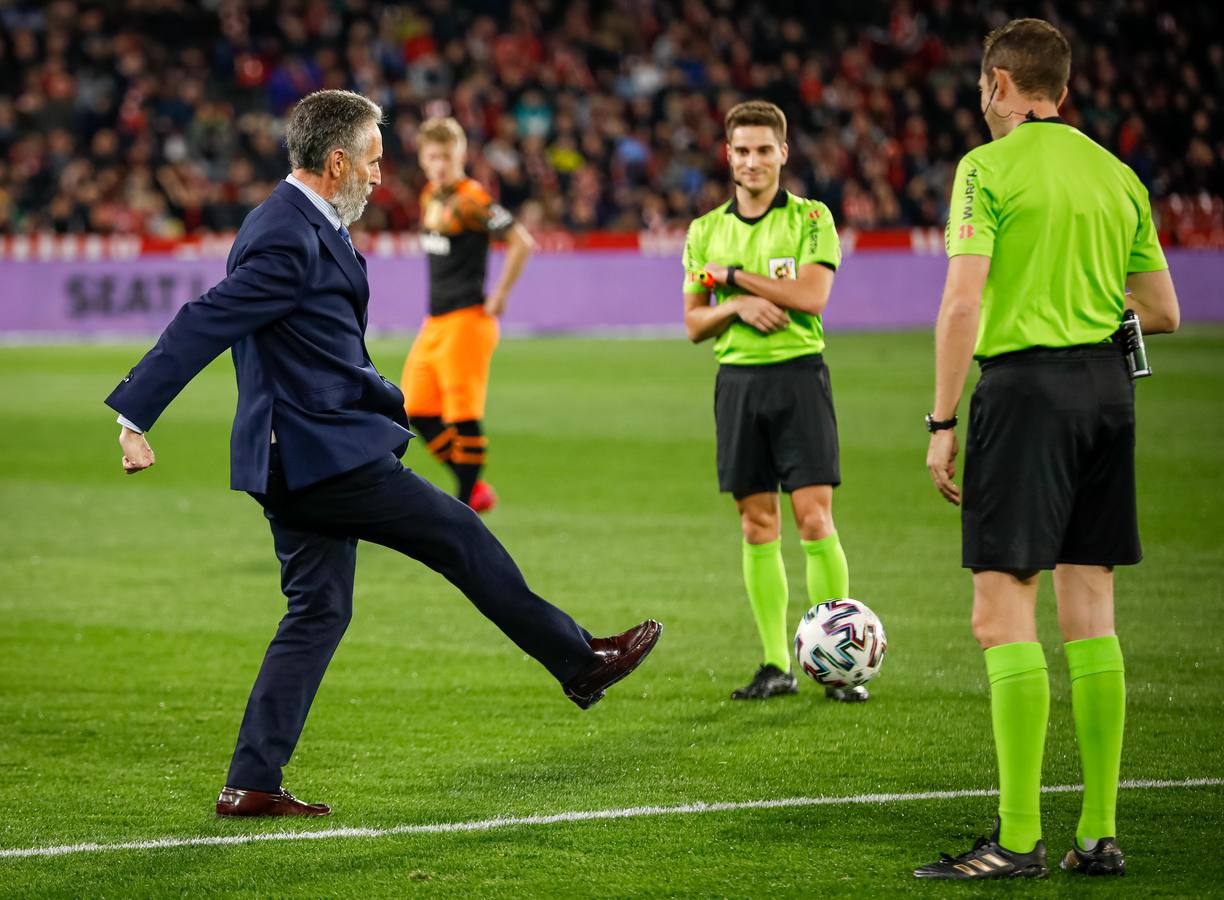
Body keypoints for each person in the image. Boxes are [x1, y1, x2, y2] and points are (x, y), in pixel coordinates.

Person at [105, 89, 662, 818]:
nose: (379, 174)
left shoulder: (301, 222)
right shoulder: (287, 233)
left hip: (301, 453)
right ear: (336, 162)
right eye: (371, 160)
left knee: (318, 610)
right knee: (458, 533)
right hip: (317, 455)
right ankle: (579, 661)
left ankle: (252, 781)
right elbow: (206, 318)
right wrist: (134, 414)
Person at [914, 19, 1179, 879]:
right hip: (1107, 392)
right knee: (1091, 613)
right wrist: (1090, 310)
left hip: (1024, 395)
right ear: (1059, 90)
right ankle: (1098, 834)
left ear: (998, 83)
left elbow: (961, 304)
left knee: (1001, 615)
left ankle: (1018, 839)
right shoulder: (1117, 173)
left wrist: (943, 422)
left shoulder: (985, 169)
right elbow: (1165, 311)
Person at [681, 100, 861, 703]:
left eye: (764, 150)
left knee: (814, 518)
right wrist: (734, 308)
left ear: (783, 153)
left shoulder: (812, 218)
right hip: (738, 383)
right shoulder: (703, 229)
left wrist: (730, 278)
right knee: (757, 524)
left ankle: (837, 666)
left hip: (799, 377)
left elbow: (811, 296)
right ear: (728, 156)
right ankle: (775, 663)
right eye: (742, 150)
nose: (752, 161)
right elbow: (693, 323)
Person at [400, 116, 534, 513]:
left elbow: (521, 241)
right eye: (433, 157)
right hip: (435, 321)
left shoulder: (471, 198)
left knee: (463, 416)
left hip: (466, 320)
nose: (440, 164)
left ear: (460, 155)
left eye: (446, 156)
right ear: (423, 159)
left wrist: (501, 294)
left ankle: (463, 506)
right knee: (415, 409)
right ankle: (472, 488)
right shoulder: (430, 196)